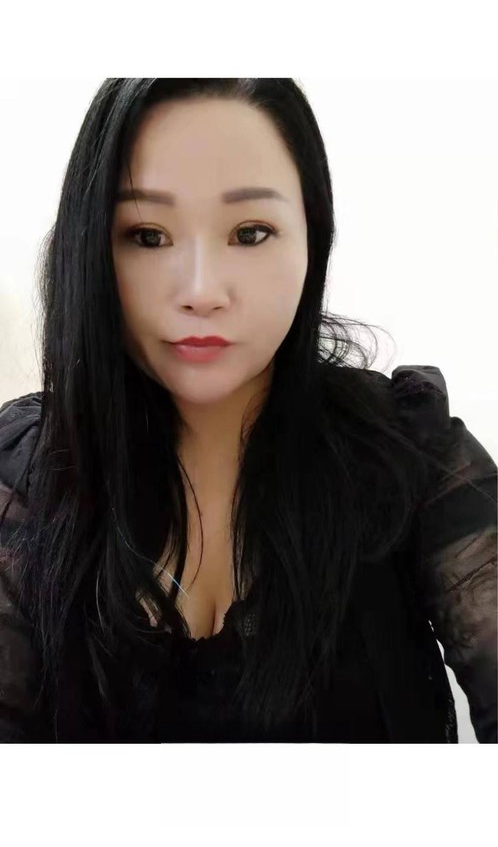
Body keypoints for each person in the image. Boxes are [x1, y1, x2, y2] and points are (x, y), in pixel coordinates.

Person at [0, 78, 496, 744]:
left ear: (312, 238)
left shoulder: (415, 453)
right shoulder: (24, 479)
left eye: (250, 232)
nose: (202, 291)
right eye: (147, 235)